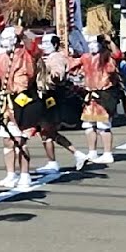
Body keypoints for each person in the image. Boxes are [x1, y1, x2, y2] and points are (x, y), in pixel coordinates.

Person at [0, 26, 41, 190]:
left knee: (21, 140)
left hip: (22, 99)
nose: (4, 42)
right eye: (2, 39)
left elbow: (35, 51)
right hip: (6, 100)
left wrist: (23, 35)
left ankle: (25, 174)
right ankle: (10, 174)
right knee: (8, 140)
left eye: (8, 38)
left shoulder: (25, 54)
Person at [35, 33, 86, 172]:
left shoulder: (56, 58)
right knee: (47, 131)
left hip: (52, 96)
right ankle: (76, 154)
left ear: (55, 45)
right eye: (43, 43)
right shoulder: (46, 58)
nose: (44, 46)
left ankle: (54, 162)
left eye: (47, 43)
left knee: (46, 130)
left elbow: (58, 75)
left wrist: (50, 71)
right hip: (46, 95)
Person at [70, 34, 122, 164]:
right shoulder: (86, 57)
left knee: (103, 126)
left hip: (104, 95)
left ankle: (107, 153)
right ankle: (92, 152)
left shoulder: (106, 58)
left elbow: (118, 55)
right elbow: (71, 66)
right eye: (90, 43)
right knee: (88, 125)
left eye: (95, 43)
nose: (92, 46)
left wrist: (110, 41)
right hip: (90, 96)